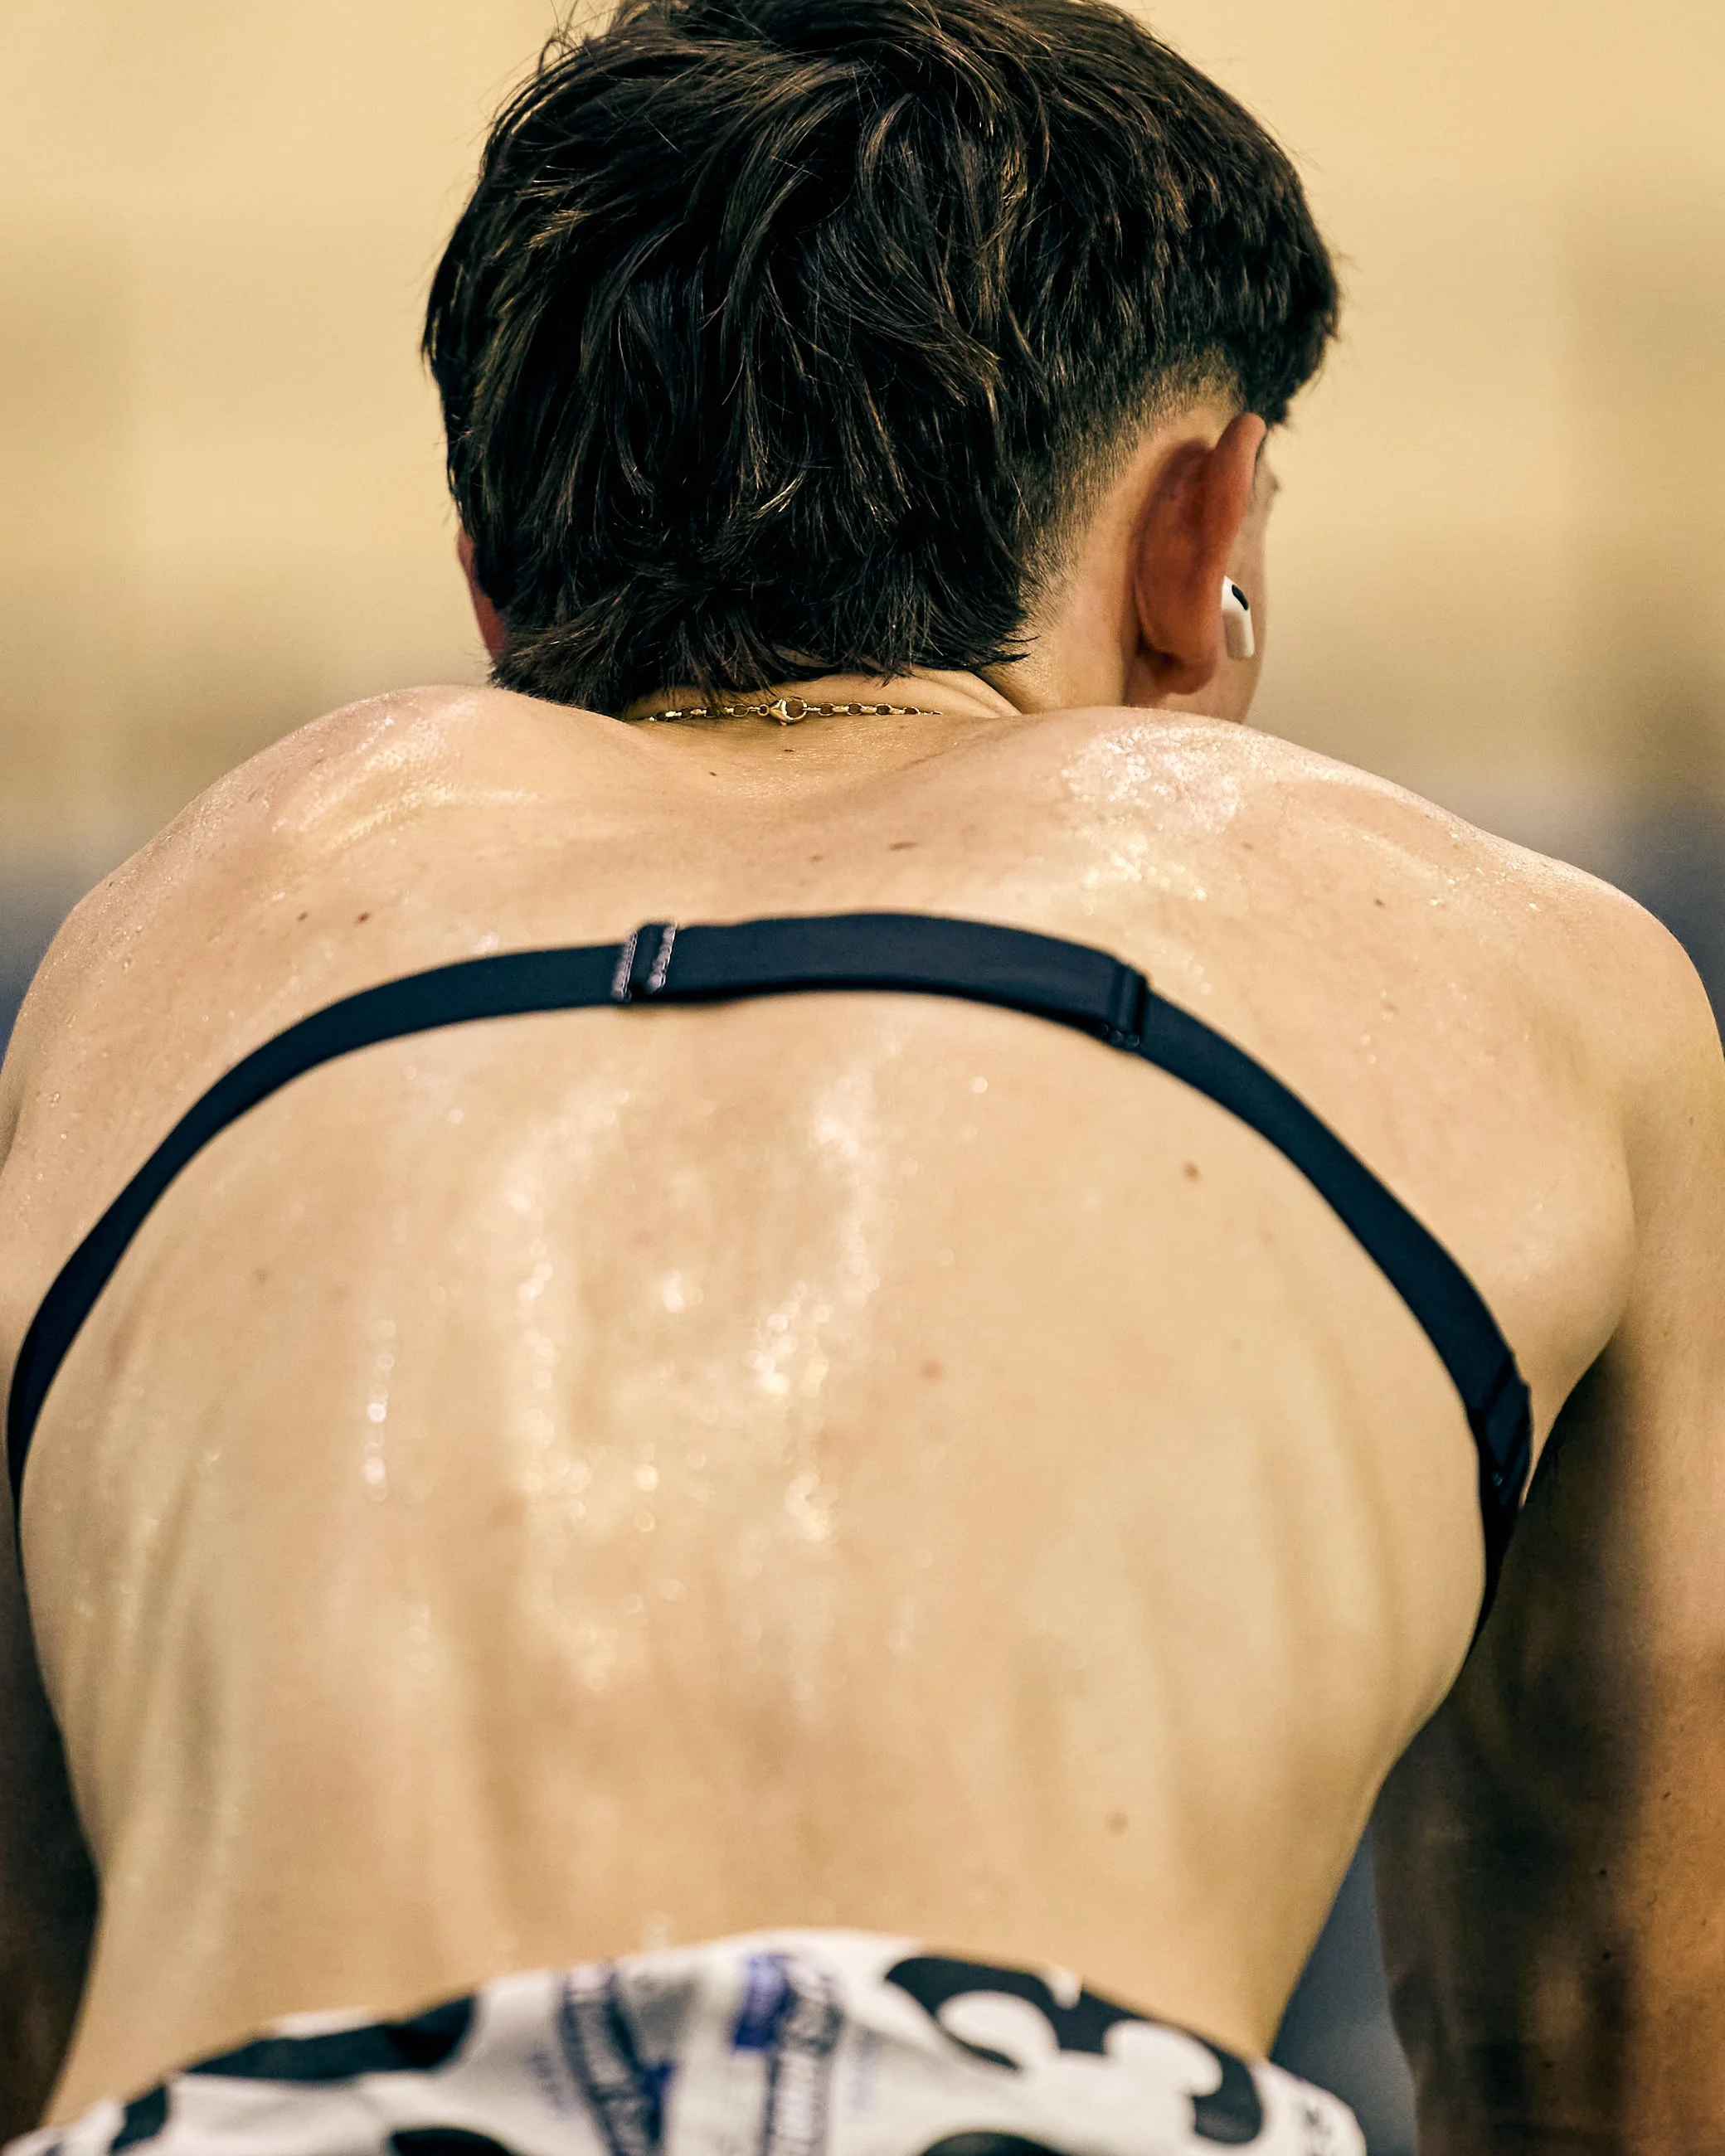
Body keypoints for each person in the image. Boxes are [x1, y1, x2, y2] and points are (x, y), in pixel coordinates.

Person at [2, 0, 1722, 2147]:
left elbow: (48, 1984)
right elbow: (1611, 2027)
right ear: (1197, 536)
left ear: (494, 592)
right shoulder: (1502, 956)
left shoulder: (169, 940)